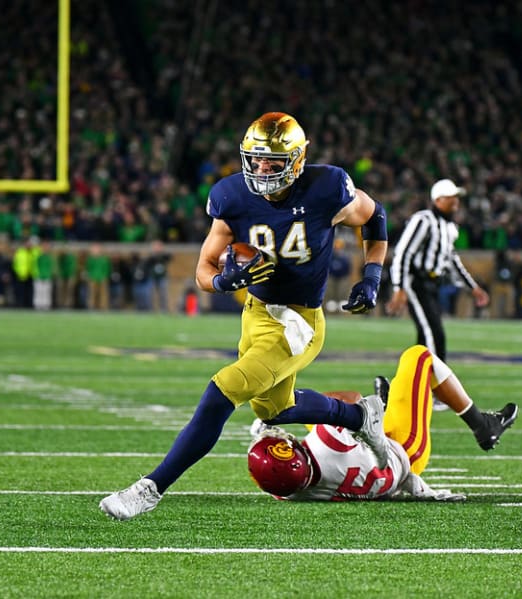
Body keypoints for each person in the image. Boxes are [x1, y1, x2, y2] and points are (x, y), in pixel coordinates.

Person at [100, 112, 390, 520]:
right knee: (273, 411)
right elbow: (203, 269)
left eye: (272, 162)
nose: (261, 169)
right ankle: (362, 414)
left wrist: (372, 276)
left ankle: (150, 488)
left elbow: (375, 217)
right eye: (255, 160)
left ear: (298, 159)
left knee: (224, 389)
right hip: (255, 314)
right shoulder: (231, 196)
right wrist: (225, 281)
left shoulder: (327, 188)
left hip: (299, 322)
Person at [247, 344, 518, 501]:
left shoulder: (287, 490)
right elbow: (351, 402)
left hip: (366, 465)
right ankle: (483, 425)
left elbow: (278, 474)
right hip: (404, 452)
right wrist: (291, 407)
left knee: (335, 421)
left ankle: (383, 409)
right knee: (419, 357)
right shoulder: (327, 439)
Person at [386, 179, 489, 409]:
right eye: (451, 198)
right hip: (416, 282)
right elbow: (403, 252)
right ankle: (436, 392)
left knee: (424, 341)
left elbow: (452, 261)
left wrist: (473, 287)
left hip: (432, 285)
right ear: (438, 199)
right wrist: (399, 287)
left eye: (457, 197)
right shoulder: (424, 220)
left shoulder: (450, 227)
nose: (456, 202)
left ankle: (407, 389)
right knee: (434, 335)